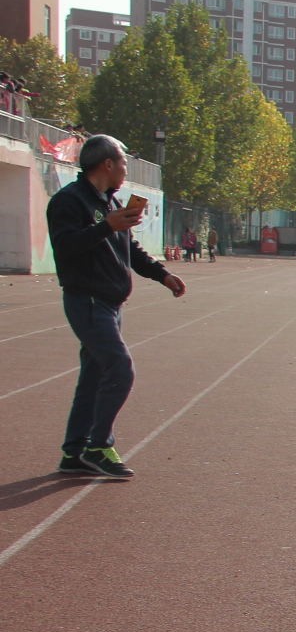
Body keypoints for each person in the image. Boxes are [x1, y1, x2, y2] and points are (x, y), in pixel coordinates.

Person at [47, 134, 186, 479]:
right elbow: (65, 248)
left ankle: (74, 452)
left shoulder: (110, 203)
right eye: (124, 161)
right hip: (88, 300)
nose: (126, 168)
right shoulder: (69, 201)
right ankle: (98, 445)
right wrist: (105, 226)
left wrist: (162, 275)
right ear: (107, 164)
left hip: (109, 302)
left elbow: (130, 248)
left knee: (94, 377)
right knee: (120, 368)